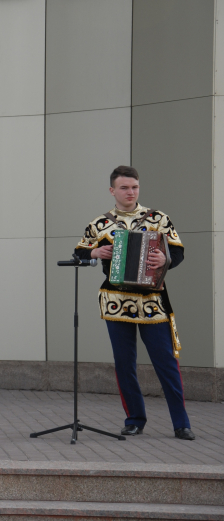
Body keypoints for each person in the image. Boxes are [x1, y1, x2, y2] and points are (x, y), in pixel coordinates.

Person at [74, 166, 194, 440]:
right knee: (124, 364)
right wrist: (95, 250)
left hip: (152, 301)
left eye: (135, 187)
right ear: (112, 190)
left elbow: (177, 250)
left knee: (166, 363)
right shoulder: (100, 224)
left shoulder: (157, 218)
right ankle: (134, 420)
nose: (131, 192)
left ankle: (181, 424)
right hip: (116, 302)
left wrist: (166, 260)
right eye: (125, 187)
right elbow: (79, 251)